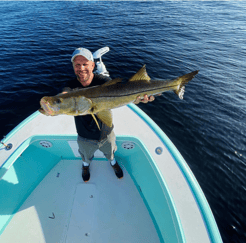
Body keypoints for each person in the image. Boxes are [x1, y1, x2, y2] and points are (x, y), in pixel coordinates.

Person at [64, 47, 155, 182]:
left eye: (85, 64)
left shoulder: (103, 81)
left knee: (111, 154)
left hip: (106, 133)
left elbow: (121, 90)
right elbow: (63, 95)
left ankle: (113, 163)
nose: (81, 68)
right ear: (73, 67)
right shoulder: (70, 86)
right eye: (77, 65)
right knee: (85, 157)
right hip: (84, 136)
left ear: (93, 65)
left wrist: (146, 98)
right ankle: (85, 166)